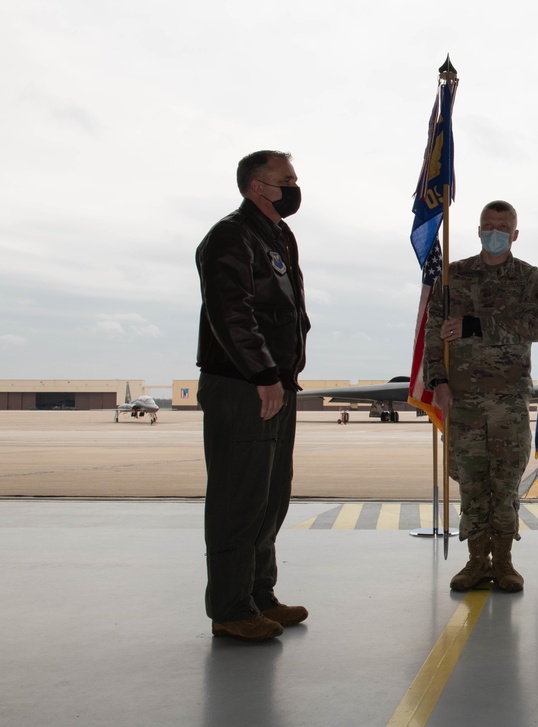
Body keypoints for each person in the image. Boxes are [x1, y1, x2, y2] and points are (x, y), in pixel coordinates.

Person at [195, 150, 311, 642]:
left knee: (270, 498)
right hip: (243, 386)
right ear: (256, 187)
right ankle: (230, 608)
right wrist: (263, 373)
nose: (295, 187)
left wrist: (280, 377)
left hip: (274, 384)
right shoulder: (230, 235)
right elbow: (231, 313)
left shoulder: (277, 237)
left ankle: (259, 594)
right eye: (286, 180)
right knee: (238, 499)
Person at [423, 200, 538, 592]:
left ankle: (505, 563)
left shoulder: (530, 279)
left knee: (506, 483)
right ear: (478, 230)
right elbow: (432, 333)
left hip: (508, 402)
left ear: (514, 234)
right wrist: (437, 381)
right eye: (487, 225)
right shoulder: (452, 277)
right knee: (472, 483)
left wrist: (475, 325)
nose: (494, 231)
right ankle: (477, 562)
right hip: (462, 400)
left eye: (502, 226)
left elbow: (534, 326)